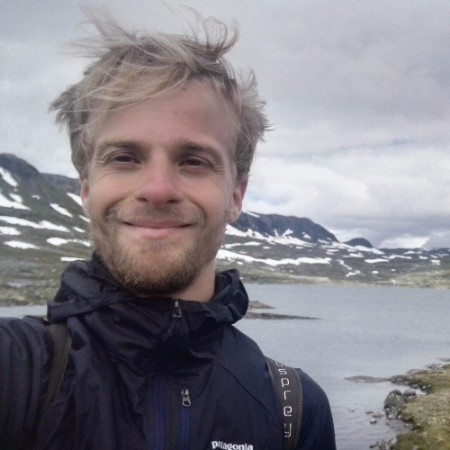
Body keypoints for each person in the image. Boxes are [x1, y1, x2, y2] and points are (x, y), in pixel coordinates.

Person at [0, 13, 336, 450]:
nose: (157, 189)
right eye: (124, 158)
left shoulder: (295, 411)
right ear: (86, 187)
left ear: (236, 195)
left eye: (194, 161)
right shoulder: (15, 369)